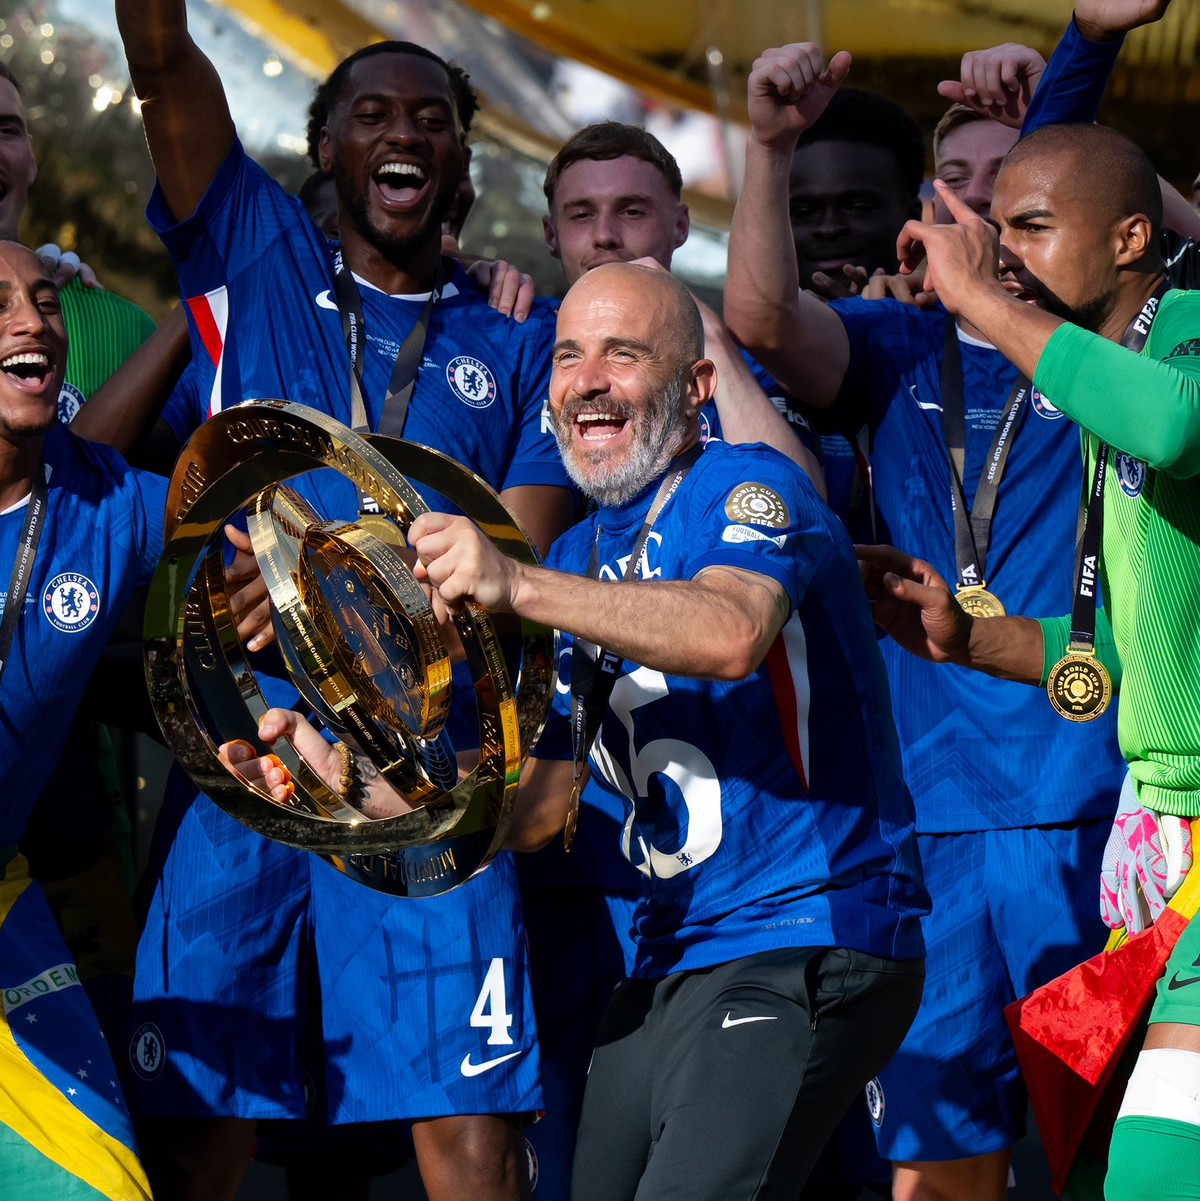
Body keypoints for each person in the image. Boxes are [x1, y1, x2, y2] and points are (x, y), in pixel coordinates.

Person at [227, 260, 929, 1200]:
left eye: (622, 353)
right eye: (567, 354)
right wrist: (344, 784)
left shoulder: (749, 485)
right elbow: (539, 804)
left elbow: (729, 632)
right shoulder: (579, 552)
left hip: (803, 928)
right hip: (671, 951)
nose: (586, 378)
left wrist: (518, 586)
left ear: (697, 387)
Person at [114, 4, 574, 1198]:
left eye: (432, 117)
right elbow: (161, 59)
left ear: (465, 161)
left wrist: (312, 577)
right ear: (325, 152)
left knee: (467, 1124)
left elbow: (518, 544)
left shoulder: (519, 340)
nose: (402, 132)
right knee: (195, 1114)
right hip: (247, 757)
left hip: (428, 770)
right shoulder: (253, 257)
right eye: (371, 114)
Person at [724, 43, 1128, 1201]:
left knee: (1105, 1156)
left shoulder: (1122, 351)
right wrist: (768, 145)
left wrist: (1085, 49)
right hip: (934, 822)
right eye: (962, 186)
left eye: (1018, 193)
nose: (988, 212)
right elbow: (757, 313)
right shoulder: (896, 351)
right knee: (938, 1161)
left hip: (1091, 808)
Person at [859, 118, 1200, 1201]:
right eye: (996, 233)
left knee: (1148, 1171)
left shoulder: (1186, 332)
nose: (1004, 254)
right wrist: (975, 641)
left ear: (1134, 237)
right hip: (1167, 856)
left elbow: (1179, 427)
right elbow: (1114, 654)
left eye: (1034, 227)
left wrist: (977, 303)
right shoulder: (1109, 389)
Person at [0, 238, 161, 1201]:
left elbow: (238, 550)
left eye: (43, 300)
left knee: (104, 1189)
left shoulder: (107, 504)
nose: (31, 320)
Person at [786, 88, 924, 300]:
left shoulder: (960, 326)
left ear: (912, 219)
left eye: (857, 207)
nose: (829, 228)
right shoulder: (737, 331)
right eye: (804, 211)